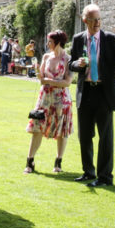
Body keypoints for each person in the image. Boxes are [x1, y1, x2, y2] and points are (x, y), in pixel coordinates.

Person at [69, 4, 115, 187]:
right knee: (84, 136)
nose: (97, 23)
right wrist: (76, 64)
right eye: (93, 20)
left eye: (99, 19)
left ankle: (104, 177)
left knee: (105, 137)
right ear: (85, 20)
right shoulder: (78, 39)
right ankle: (88, 172)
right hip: (85, 91)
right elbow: (70, 62)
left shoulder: (110, 39)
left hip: (104, 93)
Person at [24, 30, 73, 174]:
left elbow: (67, 82)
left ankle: (58, 162)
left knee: (61, 131)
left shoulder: (68, 59)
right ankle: (29, 161)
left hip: (61, 99)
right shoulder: (46, 56)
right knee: (37, 127)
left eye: (50, 41)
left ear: (58, 42)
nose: (47, 44)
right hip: (44, 98)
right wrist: (38, 72)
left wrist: (48, 81)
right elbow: (41, 78)